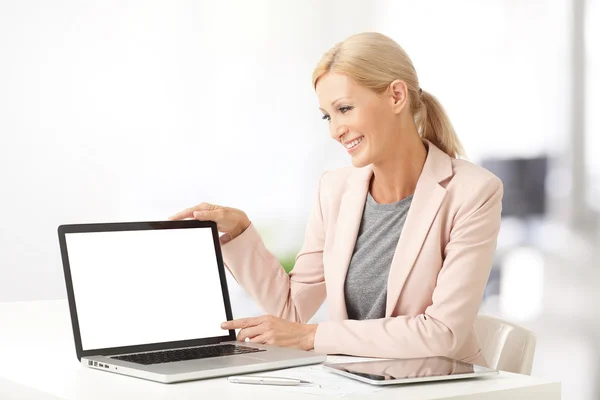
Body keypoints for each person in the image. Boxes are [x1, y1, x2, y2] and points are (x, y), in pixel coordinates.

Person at [170, 32, 503, 367]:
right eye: (328, 116)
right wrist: (241, 233)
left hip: (439, 384)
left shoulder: (473, 192)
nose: (335, 130)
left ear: (397, 96)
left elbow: (442, 332)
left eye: (344, 109)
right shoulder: (334, 189)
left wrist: (312, 337)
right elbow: (293, 310)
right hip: (356, 381)